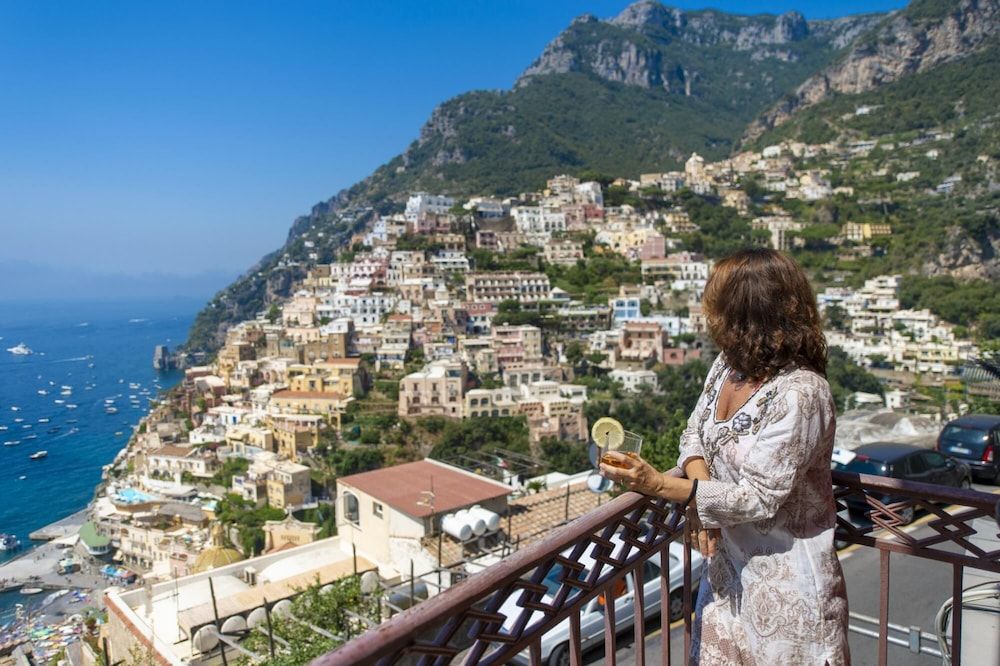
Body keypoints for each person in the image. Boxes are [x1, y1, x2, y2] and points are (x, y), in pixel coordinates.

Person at [600, 248, 850, 665]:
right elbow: (693, 433)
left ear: (745, 311)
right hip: (725, 580)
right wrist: (704, 505)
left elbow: (758, 497)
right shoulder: (727, 366)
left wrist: (660, 485)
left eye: (716, 303)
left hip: (787, 595)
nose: (708, 313)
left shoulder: (802, 393)